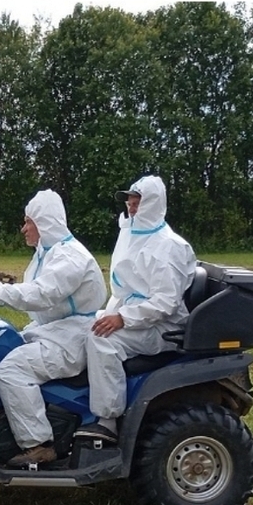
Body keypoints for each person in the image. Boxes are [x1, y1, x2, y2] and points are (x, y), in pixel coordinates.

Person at [0, 189, 107, 467]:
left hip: (72, 339)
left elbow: (43, 293)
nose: (23, 228)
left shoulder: (69, 257)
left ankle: (39, 444)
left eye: (28, 221)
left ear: (44, 222)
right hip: (55, 331)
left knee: (12, 370)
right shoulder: (47, 252)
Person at [74, 175, 197, 443]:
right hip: (135, 314)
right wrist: (111, 314)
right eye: (129, 199)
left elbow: (165, 303)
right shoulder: (134, 234)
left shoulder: (170, 246)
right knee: (80, 323)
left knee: (101, 341)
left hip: (162, 326)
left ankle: (108, 421)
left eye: (137, 200)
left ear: (153, 203)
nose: (131, 205)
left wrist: (121, 319)